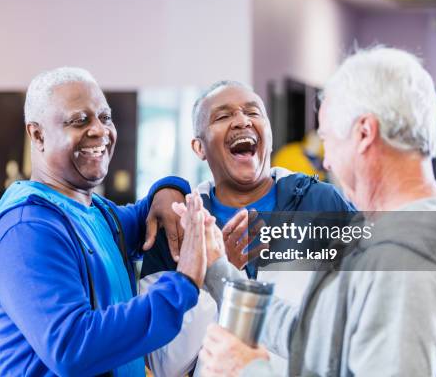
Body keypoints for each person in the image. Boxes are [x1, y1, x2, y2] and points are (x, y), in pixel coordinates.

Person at [196, 47, 436, 376]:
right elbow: (318, 335)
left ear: (364, 133)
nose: (326, 162)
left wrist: (250, 370)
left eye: (329, 140)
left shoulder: (401, 267)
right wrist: (223, 275)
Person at [0, 67, 207, 376]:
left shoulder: (99, 213)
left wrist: (170, 188)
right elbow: (72, 347)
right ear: (37, 135)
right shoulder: (25, 228)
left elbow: (149, 211)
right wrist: (183, 285)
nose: (100, 131)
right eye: (80, 120)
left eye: (105, 117)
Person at [141, 80, 354, 376]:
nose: (242, 120)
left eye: (253, 113)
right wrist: (212, 275)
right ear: (198, 147)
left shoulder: (322, 203)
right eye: (223, 116)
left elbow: (358, 311)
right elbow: (167, 365)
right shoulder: (179, 227)